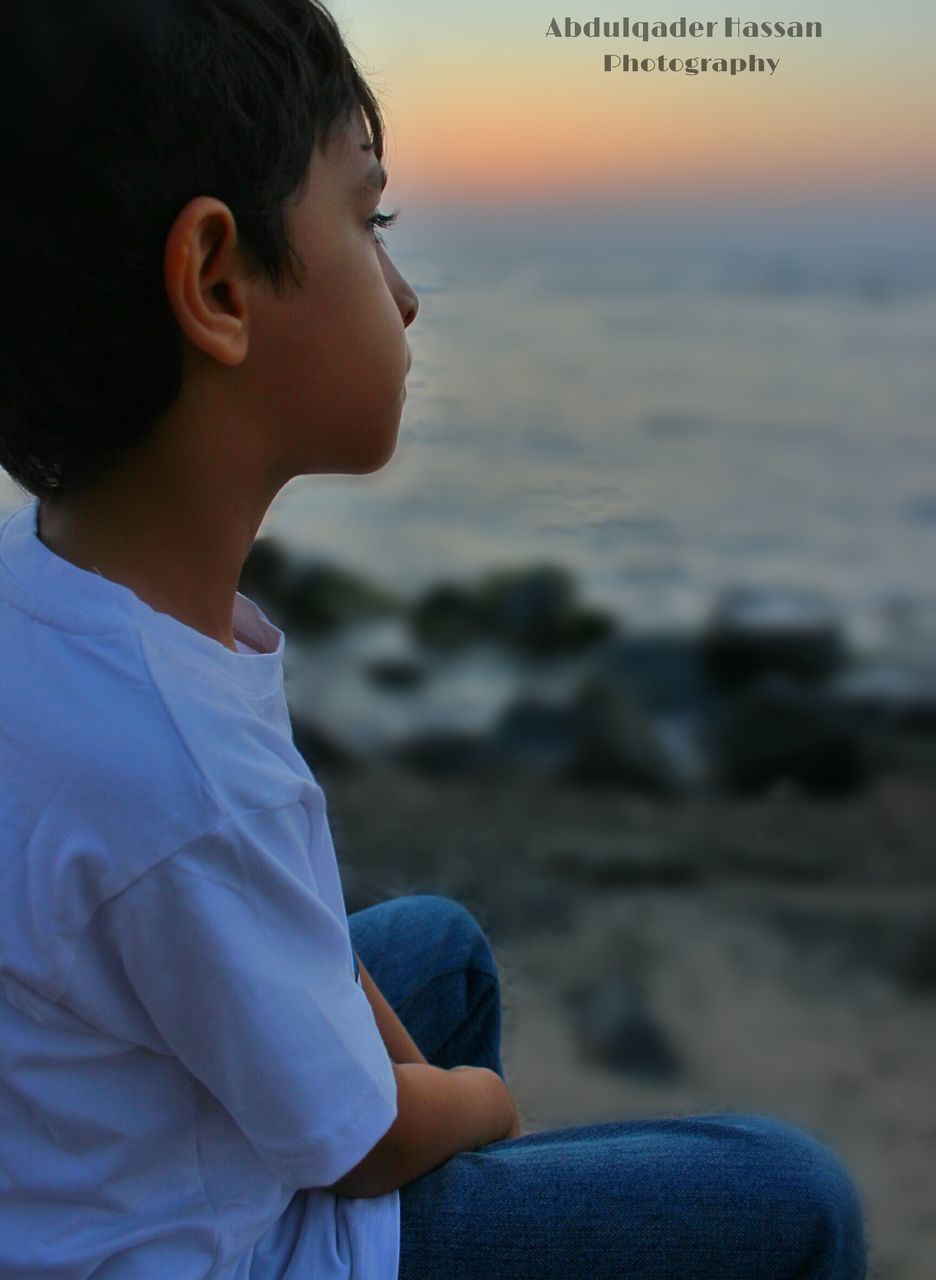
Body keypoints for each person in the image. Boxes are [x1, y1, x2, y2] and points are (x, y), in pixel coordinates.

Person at [0, 2, 868, 1278]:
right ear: (219, 283)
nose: (404, 296)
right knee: (799, 1200)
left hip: (101, 1154)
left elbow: (244, 934)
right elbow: (354, 1141)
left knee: (440, 947)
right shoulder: (175, 770)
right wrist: (485, 1104)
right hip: (229, 1248)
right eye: (371, 220)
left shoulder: (70, 609)